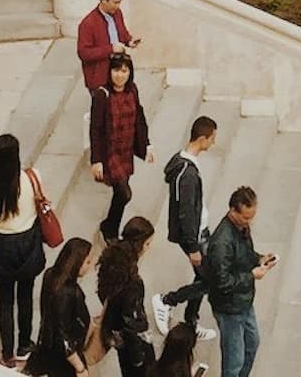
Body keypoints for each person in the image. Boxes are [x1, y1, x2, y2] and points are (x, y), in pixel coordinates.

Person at [0, 129, 45, 368]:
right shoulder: (31, 177)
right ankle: (24, 344)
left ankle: (7, 354)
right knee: (26, 296)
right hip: (28, 242)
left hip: (3, 245)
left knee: (5, 301)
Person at [154, 114, 218, 336]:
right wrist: (192, 247)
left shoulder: (185, 166)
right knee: (210, 280)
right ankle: (167, 300)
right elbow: (185, 211)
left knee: (204, 277)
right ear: (202, 138)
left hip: (199, 232)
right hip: (194, 236)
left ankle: (191, 321)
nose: (213, 143)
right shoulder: (187, 174)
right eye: (211, 138)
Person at [203, 188, 272, 377]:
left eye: (252, 217)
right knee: (234, 361)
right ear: (233, 211)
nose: (249, 222)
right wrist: (252, 276)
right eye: (246, 218)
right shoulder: (221, 244)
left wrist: (259, 259)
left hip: (243, 300)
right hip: (229, 308)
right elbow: (222, 282)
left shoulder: (241, 228)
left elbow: (245, 254)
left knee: (252, 343)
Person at [90, 52, 151, 244]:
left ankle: (109, 224)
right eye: (116, 70)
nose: (120, 75)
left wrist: (146, 145)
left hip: (126, 150)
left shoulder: (132, 90)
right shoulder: (102, 95)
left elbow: (139, 119)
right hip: (110, 153)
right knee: (125, 193)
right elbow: (96, 129)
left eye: (124, 70)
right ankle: (110, 229)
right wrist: (96, 159)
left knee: (120, 193)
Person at [25, 237, 95, 376]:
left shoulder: (50, 275)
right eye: (87, 262)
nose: (90, 266)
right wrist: (80, 368)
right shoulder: (69, 292)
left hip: (48, 347)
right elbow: (63, 334)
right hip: (63, 359)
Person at [96, 218, 157, 377]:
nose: (148, 248)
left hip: (115, 332)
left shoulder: (111, 261)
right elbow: (132, 323)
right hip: (132, 343)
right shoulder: (133, 283)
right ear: (139, 244)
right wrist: (138, 356)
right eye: (148, 244)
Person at [78, 0, 139, 91]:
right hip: (100, 78)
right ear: (103, 0)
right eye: (115, 2)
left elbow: (122, 32)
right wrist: (110, 49)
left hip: (118, 74)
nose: (118, 6)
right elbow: (84, 53)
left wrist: (129, 41)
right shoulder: (88, 24)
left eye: (119, 2)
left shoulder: (117, 13)